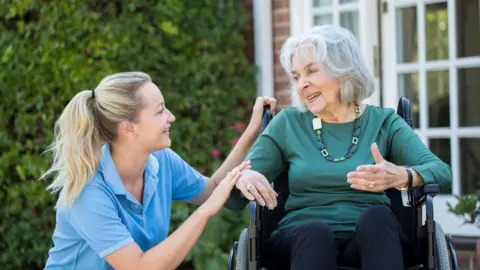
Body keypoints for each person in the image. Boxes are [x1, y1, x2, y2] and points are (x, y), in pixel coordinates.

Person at [226, 25, 452, 270]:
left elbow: (441, 172)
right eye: (296, 77)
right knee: (315, 233)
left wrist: (403, 175)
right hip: (300, 241)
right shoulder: (288, 124)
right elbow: (233, 200)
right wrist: (243, 176)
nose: (302, 85)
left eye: (311, 71)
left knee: (377, 219)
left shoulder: (383, 122)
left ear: (343, 69)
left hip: (370, 242)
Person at [41, 71, 277, 270]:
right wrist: (206, 211)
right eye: (160, 111)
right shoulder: (88, 192)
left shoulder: (160, 161)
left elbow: (212, 188)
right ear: (128, 128)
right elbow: (140, 267)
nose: (171, 117)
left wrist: (252, 131)